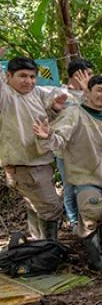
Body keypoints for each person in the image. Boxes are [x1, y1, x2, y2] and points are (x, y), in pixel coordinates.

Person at [33, 75, 102, 275]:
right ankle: (95, 260)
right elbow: (59, 139)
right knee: (91, 213)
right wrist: (47, 136)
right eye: (99, 90)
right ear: (88, 92)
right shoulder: (74, 114)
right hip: (86, 179)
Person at [1, 56, 66, 240]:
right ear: (8, 76)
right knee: (51, 208)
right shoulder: (6, 95)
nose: (28, 81)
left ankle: (39, 246)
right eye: (22, 76)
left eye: (32, 76)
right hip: (23, 166)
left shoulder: (35, 93)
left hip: (39, 162)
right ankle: (48, 250)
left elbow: (43, 123)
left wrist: (53, 109)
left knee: (35, 206)